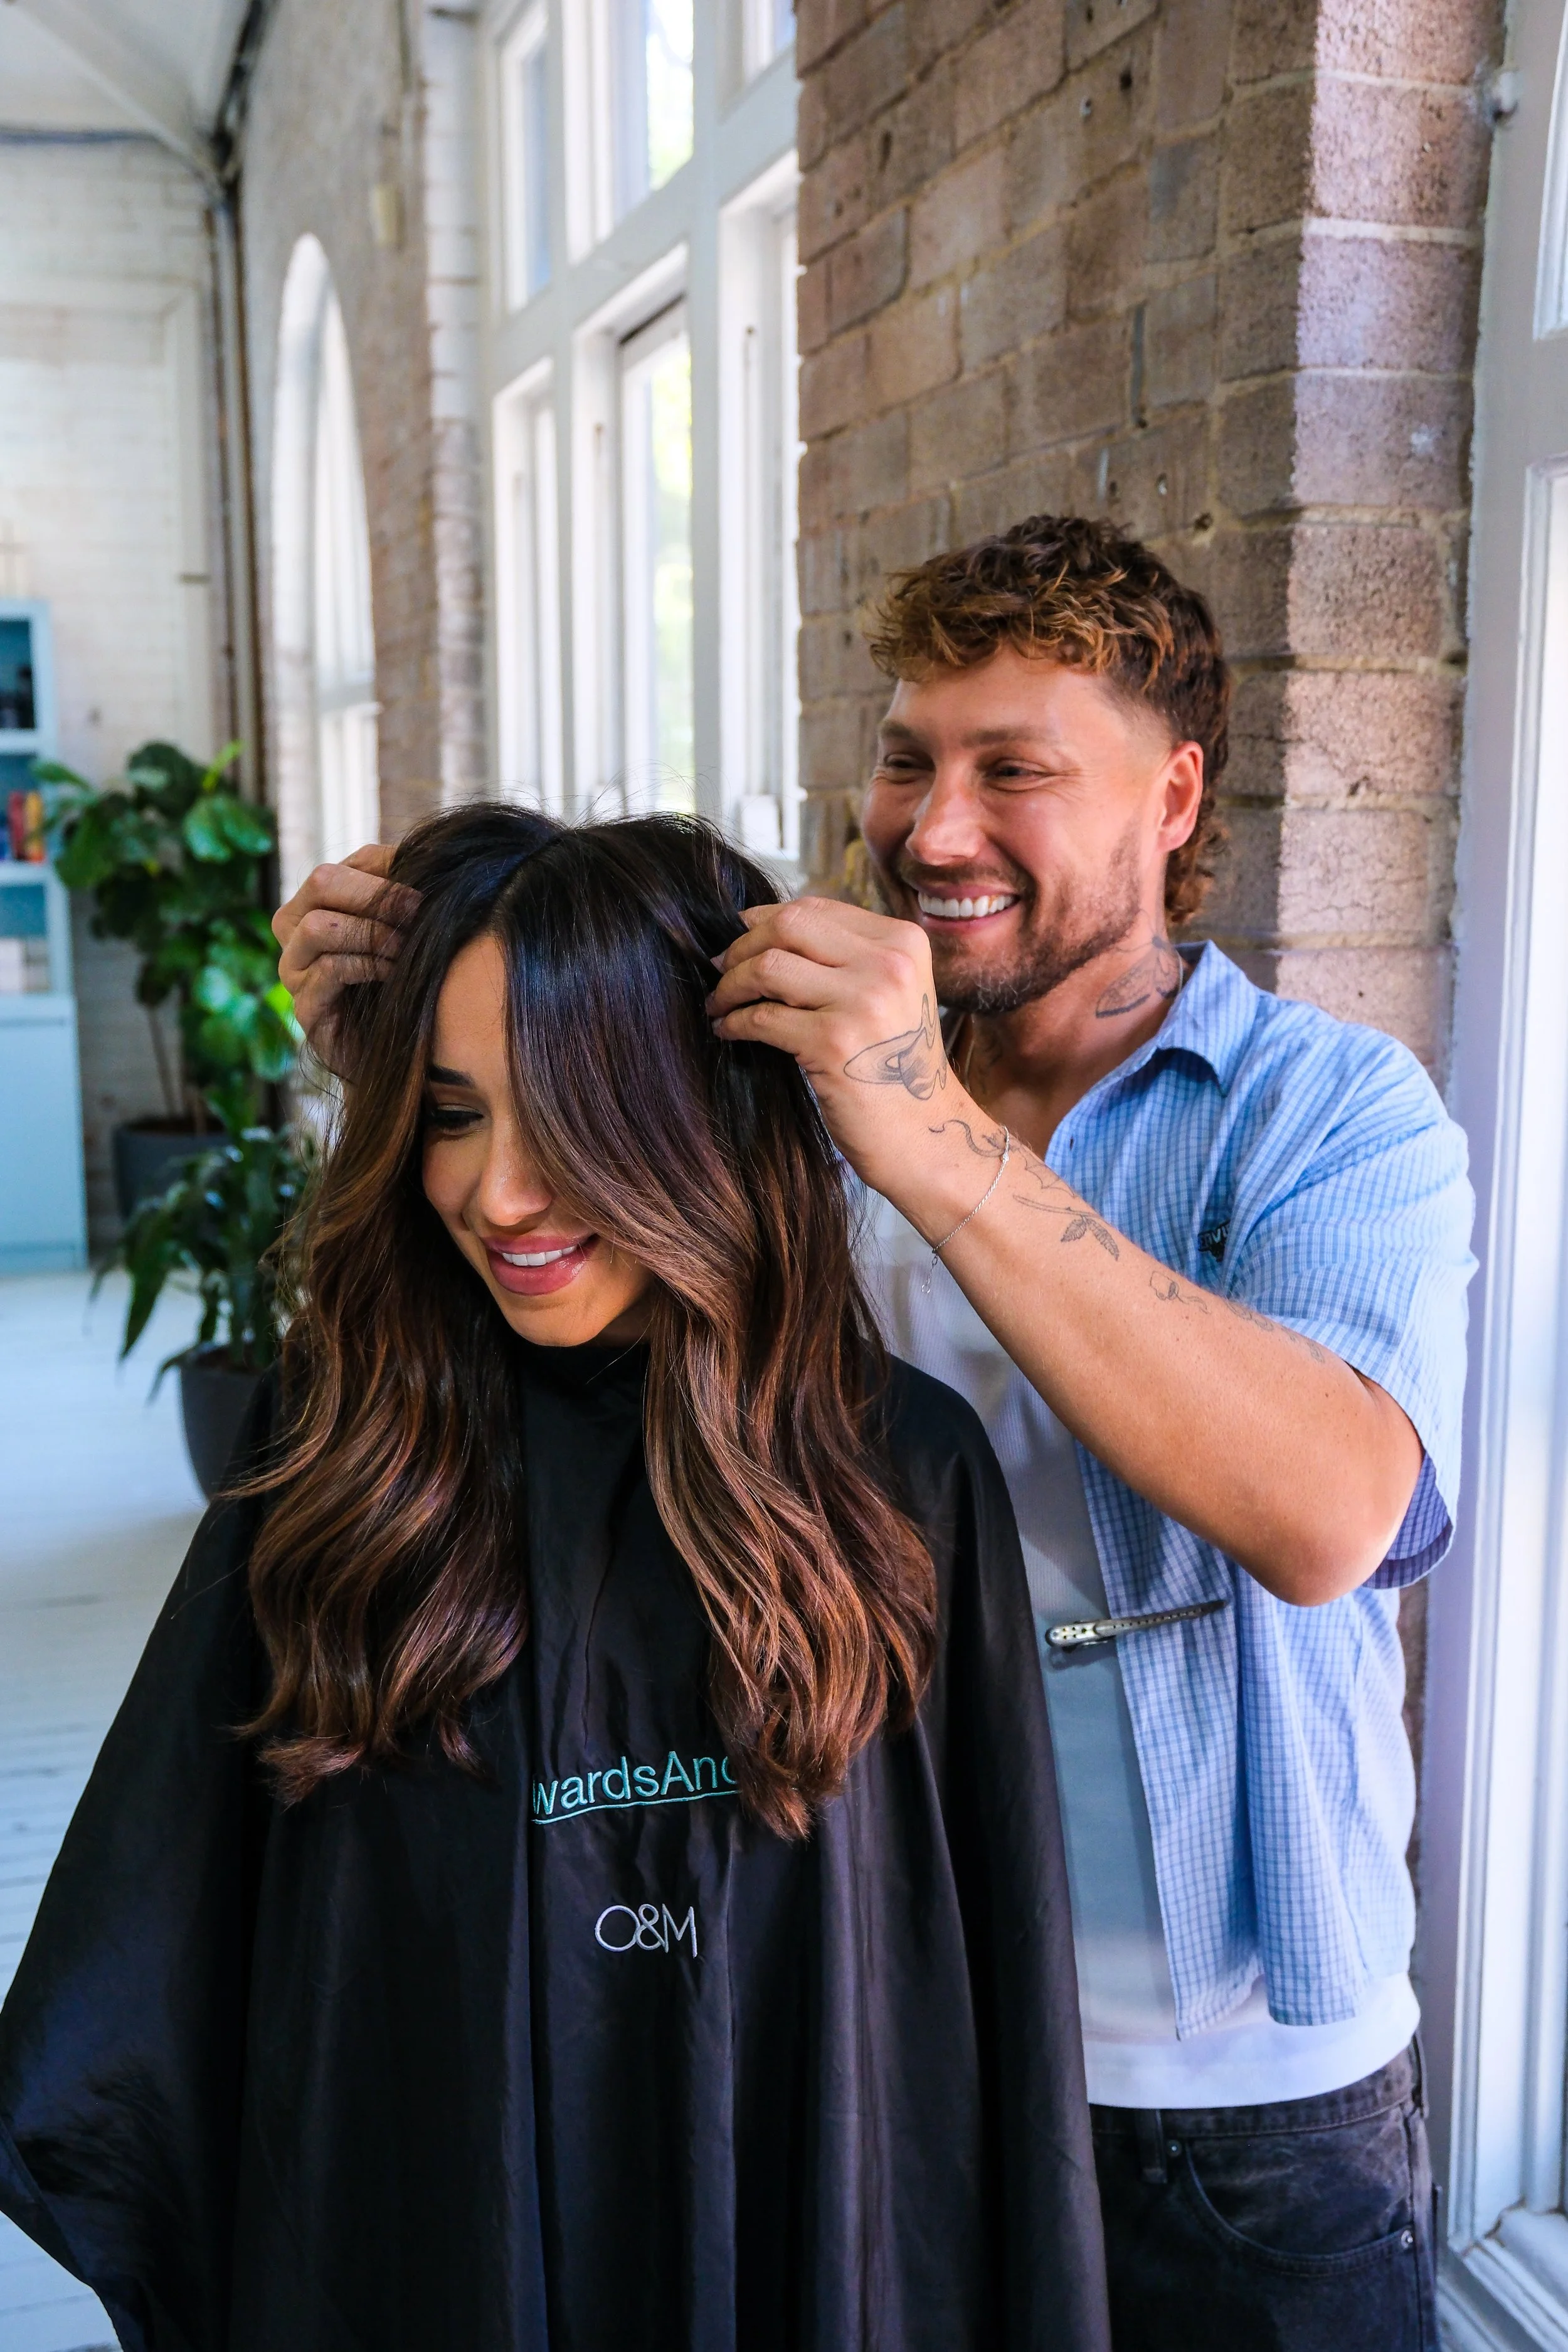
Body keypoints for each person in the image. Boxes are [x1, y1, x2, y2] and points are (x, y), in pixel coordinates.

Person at [276, 516, 1475, 2352]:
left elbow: (1330, 1511)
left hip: (1232, 2086)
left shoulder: (1327, 1113)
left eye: (1015, 771)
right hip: (856, 2009)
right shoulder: (769, 1086)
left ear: (1169, 795)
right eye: (907, 756)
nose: (931, 829)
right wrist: (384, 1048)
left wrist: (924, 1132)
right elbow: (527, 1308)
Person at [0, 807, 1113, 2352]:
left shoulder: (898, 1477)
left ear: (697, 1122)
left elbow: (966, 2023)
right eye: (451, 1116)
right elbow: (146, 2008)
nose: (501, 1196)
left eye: (572, 1122)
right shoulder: (347, 1459)